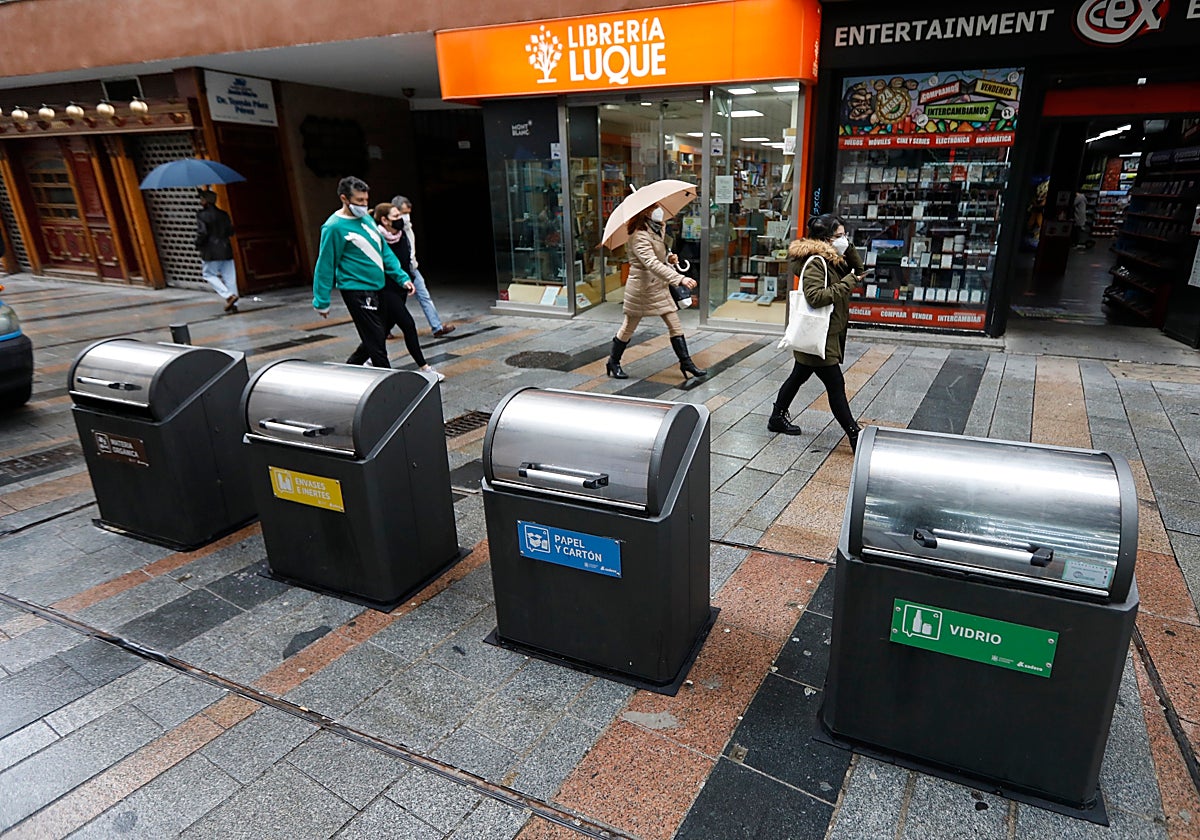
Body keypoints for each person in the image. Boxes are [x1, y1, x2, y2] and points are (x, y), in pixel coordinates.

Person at [767, 214, 864, 452]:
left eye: (845, 235)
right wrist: (848, 282)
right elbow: (816, 297)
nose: (844, 240)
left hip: (823, 332)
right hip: (820, 335)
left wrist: (848, 248)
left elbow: (859, 270)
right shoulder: (817, 263)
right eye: (840, 236)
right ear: (825, 240)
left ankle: (776, 418)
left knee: (799, 375)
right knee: (835, 385)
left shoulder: (833, 258)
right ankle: (855, 434)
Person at [605, 203, 705, 381]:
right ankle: (613, 361)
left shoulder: (657, 230)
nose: (659, 211)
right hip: (642, 289)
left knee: (675, 324)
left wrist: (669, 258)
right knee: (629, 327)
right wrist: (679, 278)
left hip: (658, 286)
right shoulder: (639, 236)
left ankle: (686, 363)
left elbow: (658, 257)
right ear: (644, 212)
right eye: (653, 208)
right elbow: (650, 263)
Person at [312, 176, 404, 370]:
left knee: (376, 334)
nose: (364, 205)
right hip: (356, 289)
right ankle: (387, 382)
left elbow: (383, 250)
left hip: (378, 286)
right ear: (345, 199)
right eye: (359, 201)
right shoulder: (333, 227)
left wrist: (401, 276)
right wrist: (322, 301)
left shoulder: (366, 218)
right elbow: (325, 264)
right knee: (377, 341)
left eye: (366, 200)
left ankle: (350, 368)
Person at [358, 202, 445, 381]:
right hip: (385, 290)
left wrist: (408, 280)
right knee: (408, 325)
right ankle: (424, 367)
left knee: (382, 328)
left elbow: (406, 259)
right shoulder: (376, 238)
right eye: (396, 216)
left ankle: (364, 359)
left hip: (402, 288)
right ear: (384, 220)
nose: (400, 220)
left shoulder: (402, 234)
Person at [390, 195, 455, 337]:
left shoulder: (408, 229)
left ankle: (436, 327)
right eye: (404, 213)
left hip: (412, 269)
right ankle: (384, 330)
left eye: (408, 213)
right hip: (398, 271)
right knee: (395, 302)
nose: (406, 217)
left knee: (424, 296)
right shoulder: (390, 233)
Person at [195, 189, 238, 313]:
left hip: (211, 250)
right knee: (230, 276)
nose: (200, 201)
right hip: (226, 248)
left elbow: (202, 233)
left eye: (202, 199)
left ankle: (228, 296)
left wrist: (198, 243)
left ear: (205, 201)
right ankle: (234, 304)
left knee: (209, 274)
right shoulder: (224, 214)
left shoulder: (201, 215)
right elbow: (231, 231)